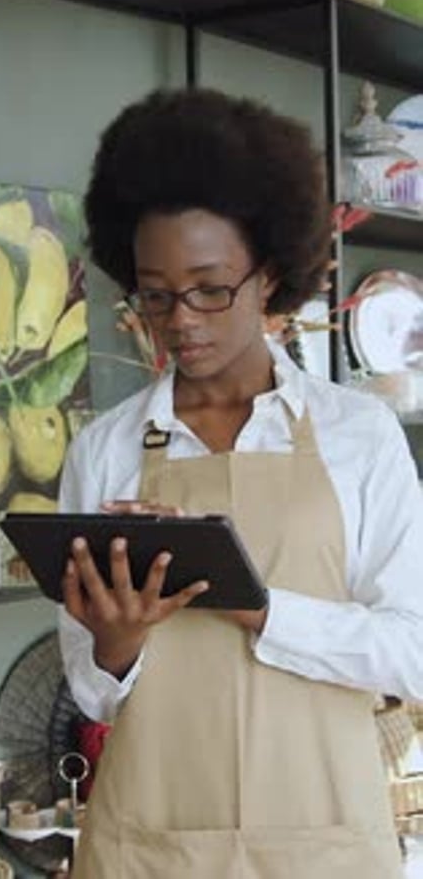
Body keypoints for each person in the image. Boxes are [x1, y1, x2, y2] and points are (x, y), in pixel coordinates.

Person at [57, 87, 423, 879]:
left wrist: (257, 606)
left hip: (325, 849)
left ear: (270, 276)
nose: (182, 319)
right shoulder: (105, 448)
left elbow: (412, 650)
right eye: (156, 295)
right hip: (148, 852)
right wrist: (118, 644)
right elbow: (91, 692)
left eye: (210, 288)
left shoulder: (358, 435)